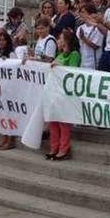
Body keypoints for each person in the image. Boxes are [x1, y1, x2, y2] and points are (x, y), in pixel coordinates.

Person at [46, 29, 81, 161]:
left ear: (67, 40)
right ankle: (54, 147)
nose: (58, 41)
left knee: (63, 123)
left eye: (61, 38)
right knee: (53, 121)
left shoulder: (74, 54)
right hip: (55, 92)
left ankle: (63, 149)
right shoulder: (59, 54)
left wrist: (58, 65)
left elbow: (73, 71)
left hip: (66, 93)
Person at [0, 31, 18, 151]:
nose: (1, 42)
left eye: (3, 40)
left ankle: (10, 140)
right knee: (1, 115)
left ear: (8, 42)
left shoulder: (12, 54)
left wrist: (7, 61)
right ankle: (4, 139)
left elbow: (16, 68)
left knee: (9, 115)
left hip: (9, 90)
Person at [76, 3, 104, 69]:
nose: (81, 14)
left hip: (94, 61)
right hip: (83, 60)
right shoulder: (80, 28)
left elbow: (96, 46)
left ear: (91, 14)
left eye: (83, 12)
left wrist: (83, 38)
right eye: (80, 12)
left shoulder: (98, 28)